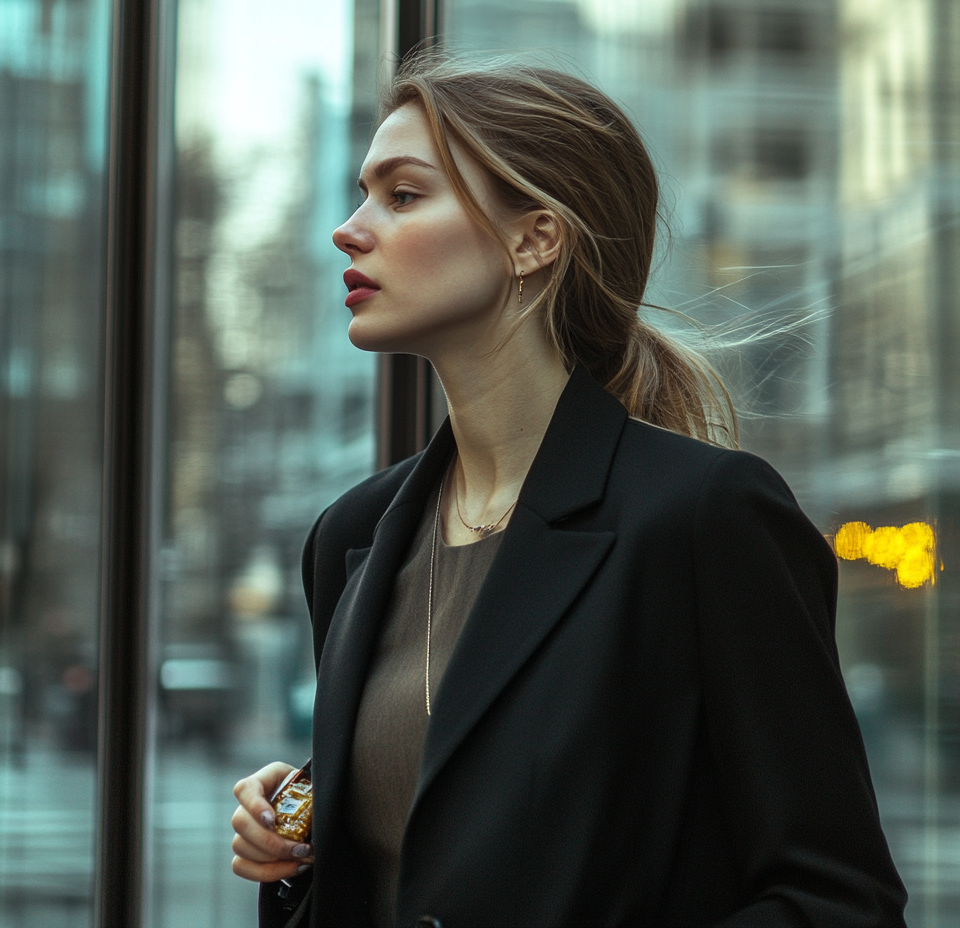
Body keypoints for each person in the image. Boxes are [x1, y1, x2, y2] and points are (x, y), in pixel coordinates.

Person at [231, 56, 907, 928]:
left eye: (402, 196)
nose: (348, 230)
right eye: (363, 194)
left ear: (535, 238)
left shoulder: (705, 518)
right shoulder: (352, 537)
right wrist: (290, 853)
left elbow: (838, 899)